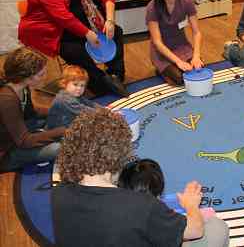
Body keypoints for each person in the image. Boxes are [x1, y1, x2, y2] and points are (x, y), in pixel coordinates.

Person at [52, 108, 208, 247]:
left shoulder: (58, 193)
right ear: (121, 153)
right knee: (216, 228)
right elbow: (195, 230)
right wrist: (191, 205)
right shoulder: (142, 206)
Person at [18, 0, 128, 97]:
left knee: (116, 32)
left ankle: (116, 76)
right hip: (56, 31)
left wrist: (110, 21)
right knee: (75, 51)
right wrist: (88, 34)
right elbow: (61, 15)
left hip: (83, 25)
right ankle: (100, 82)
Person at [119, 158, 230, 247]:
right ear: (158, 193)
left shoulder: (109, 206)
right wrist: (191, 205)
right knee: (218, 227)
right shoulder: (154, 215)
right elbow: (196, 230)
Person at [0, 47, 65, 172]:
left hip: (17, 133)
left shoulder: (21, 87)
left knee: (60, 117)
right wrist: (62, 131)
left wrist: (57, 110)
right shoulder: (7, 99)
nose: (45, 77)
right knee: (58, 148)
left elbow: (32, 111)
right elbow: (25, 141)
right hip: (7, 152)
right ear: (26, 77)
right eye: (41, 74)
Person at [146, 0, 204, 86]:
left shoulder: (186, 1)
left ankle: (173, 68)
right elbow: (157, 43)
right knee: (181, 78)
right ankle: (161, 69)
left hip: (182, 46)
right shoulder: (152, 7)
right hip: (162, 52)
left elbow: (196, 32)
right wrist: (178, 62)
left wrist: (196, 56)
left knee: (198, 71)